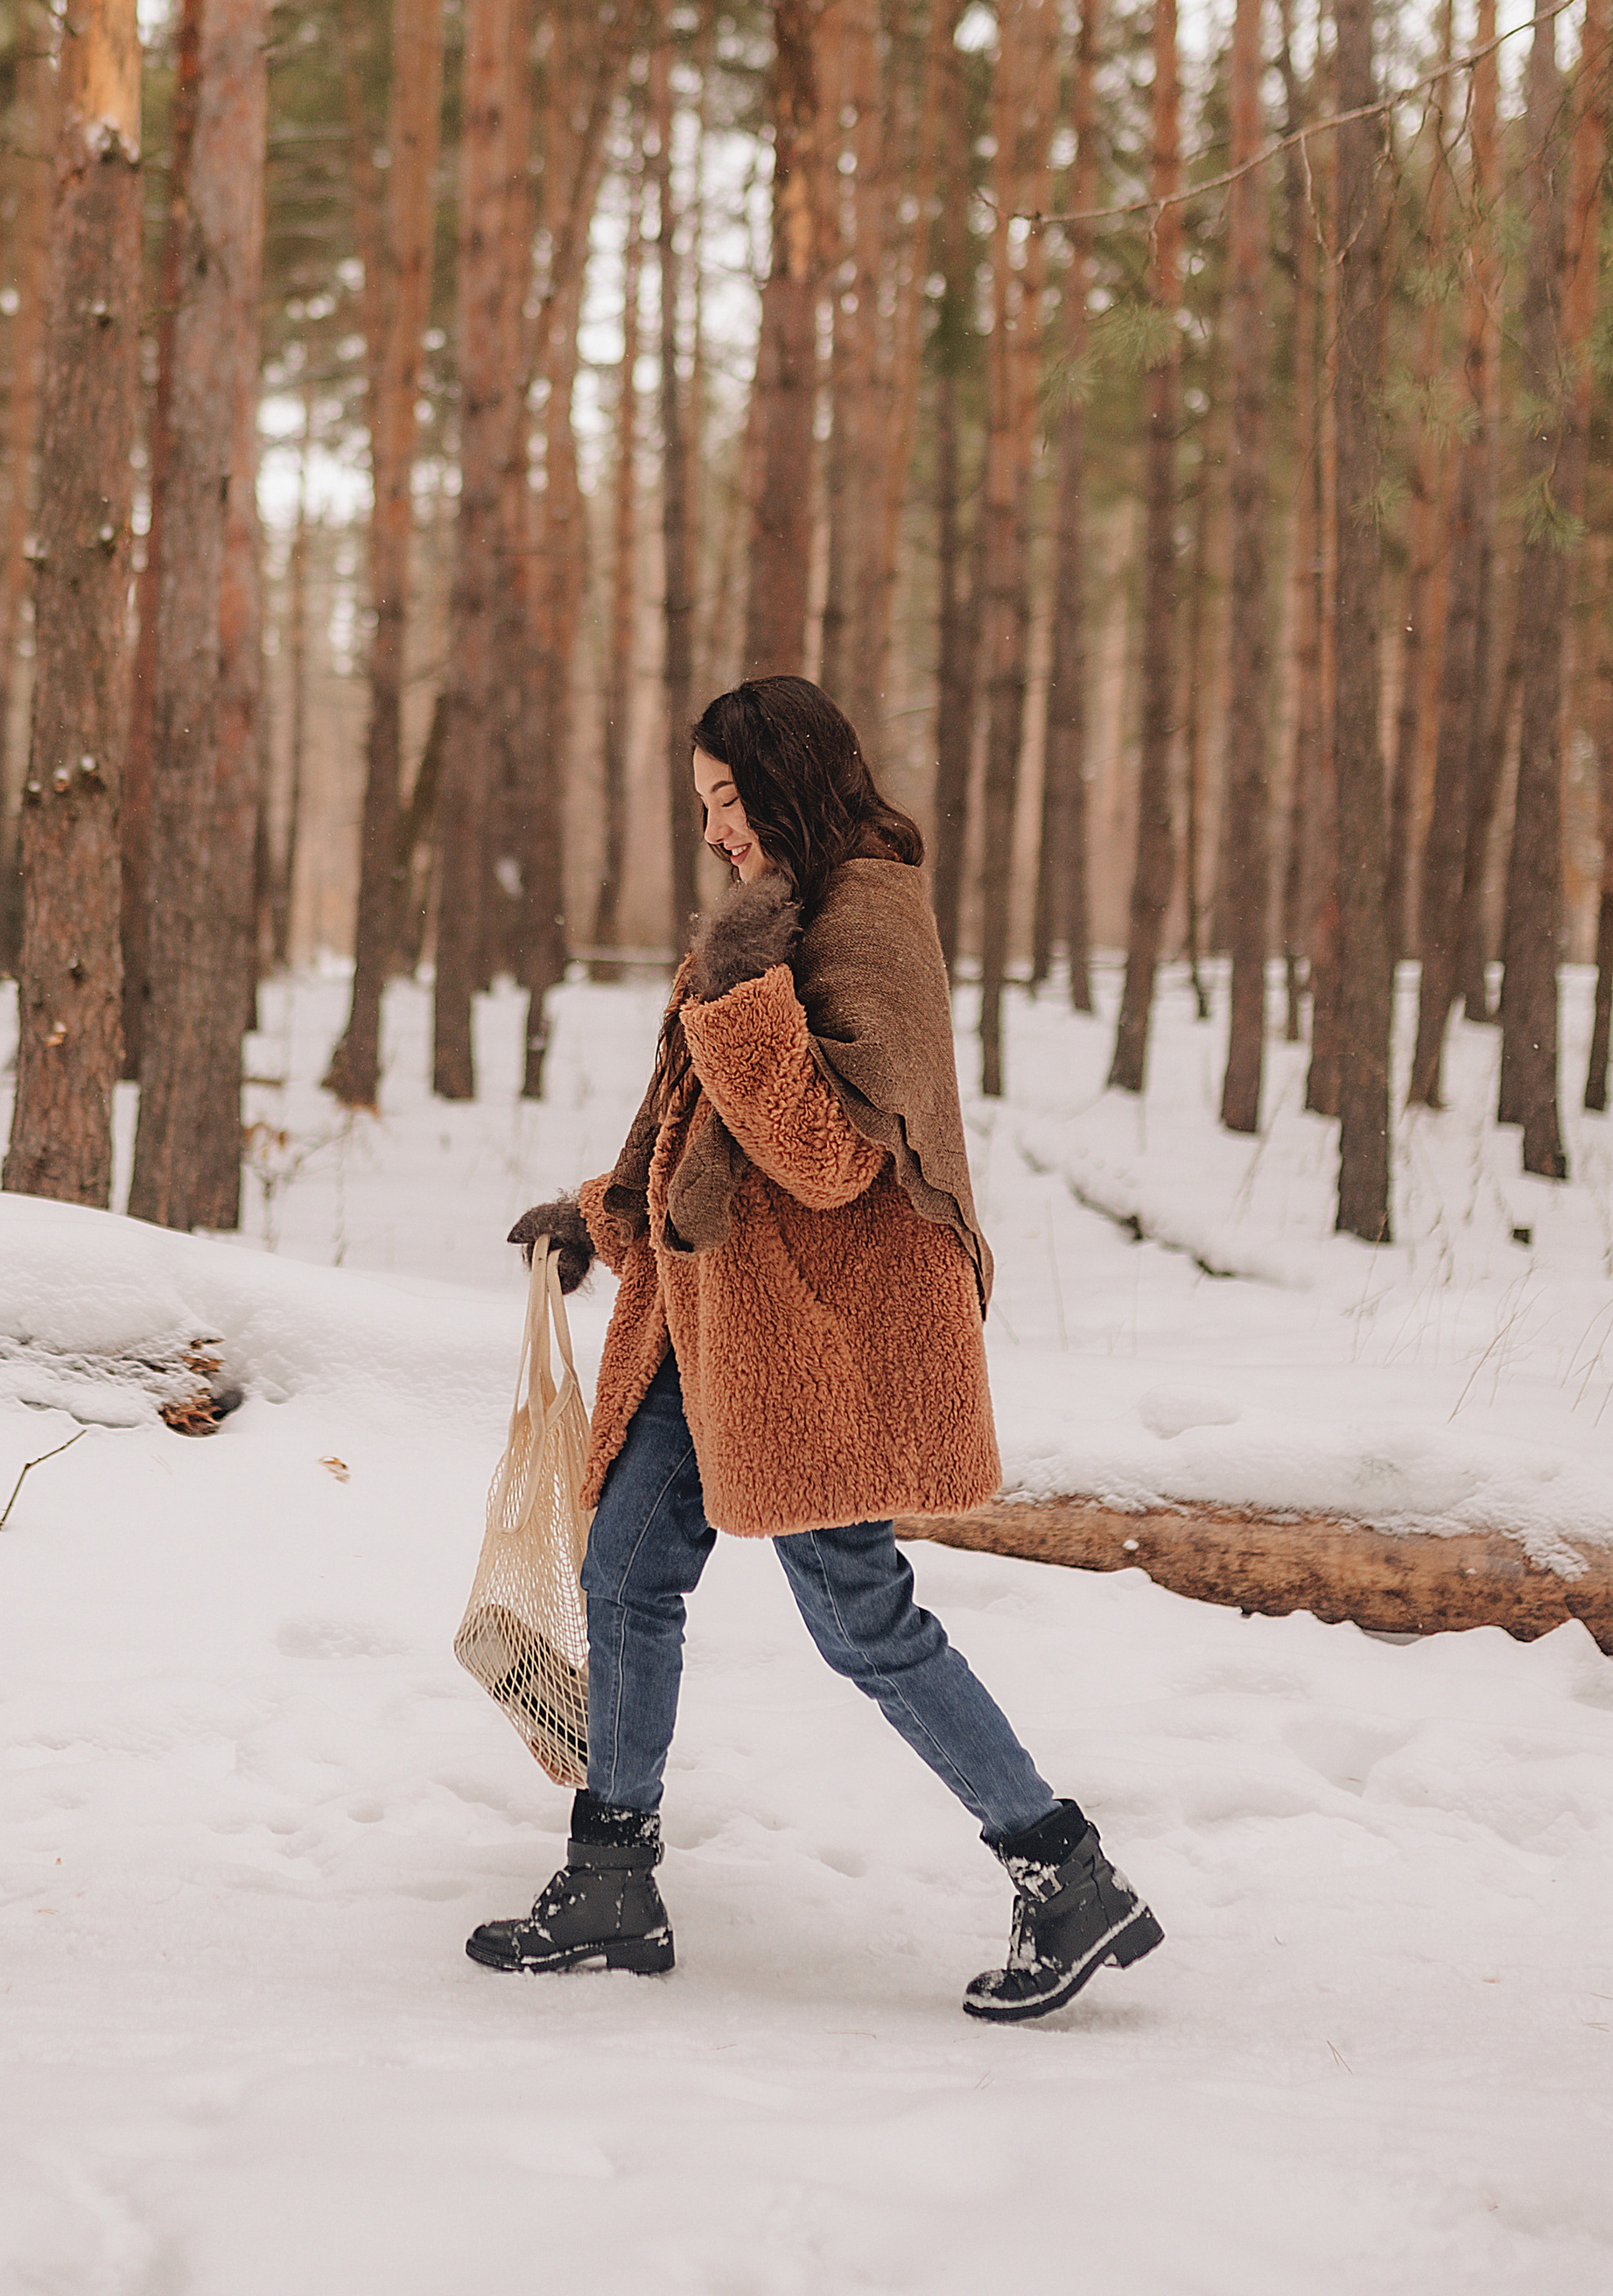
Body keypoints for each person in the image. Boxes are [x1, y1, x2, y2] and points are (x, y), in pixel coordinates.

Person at [468, 672, 1161, 2025]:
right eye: (706, 807)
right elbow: (692, 1114)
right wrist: (603, 1217)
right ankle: (612, 1877)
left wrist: (741, 987)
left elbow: (831, 1158)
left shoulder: (867, 915)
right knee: (622, 1572)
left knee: (860, 1613)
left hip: (815, 1347)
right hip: (715, 1316)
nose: (719, 829)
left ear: (787, 780)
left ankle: (1063, 1871)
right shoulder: (779, 908)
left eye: (730, 799)